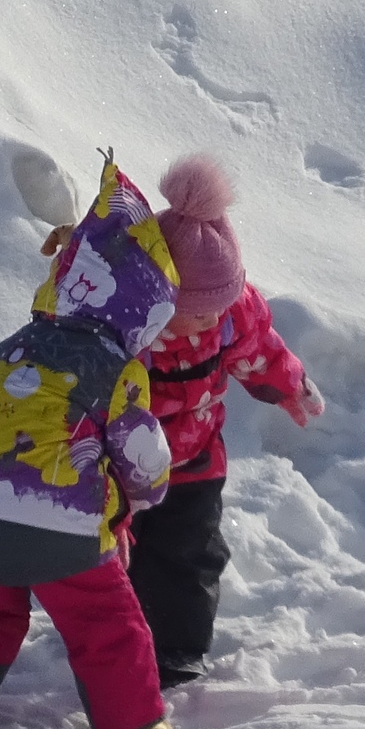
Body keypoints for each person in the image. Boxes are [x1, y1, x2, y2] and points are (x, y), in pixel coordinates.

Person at [0, 157, 179, 729]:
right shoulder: (117, 366)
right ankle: (132, 726)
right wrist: (150, 489)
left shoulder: (14, 347)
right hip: (62, 521)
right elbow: (139, 448)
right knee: (105, 622)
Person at [133, 156, 321, 686]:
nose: (212, 318)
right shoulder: (131, 330)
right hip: (121, 470)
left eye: (222, 305)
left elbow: (259, 350)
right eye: (197, 310)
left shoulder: (231, 314)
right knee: (123, 555)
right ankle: (114, 635)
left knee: (190, 555)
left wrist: (291, 387)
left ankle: (176, 651)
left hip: (194, 463)